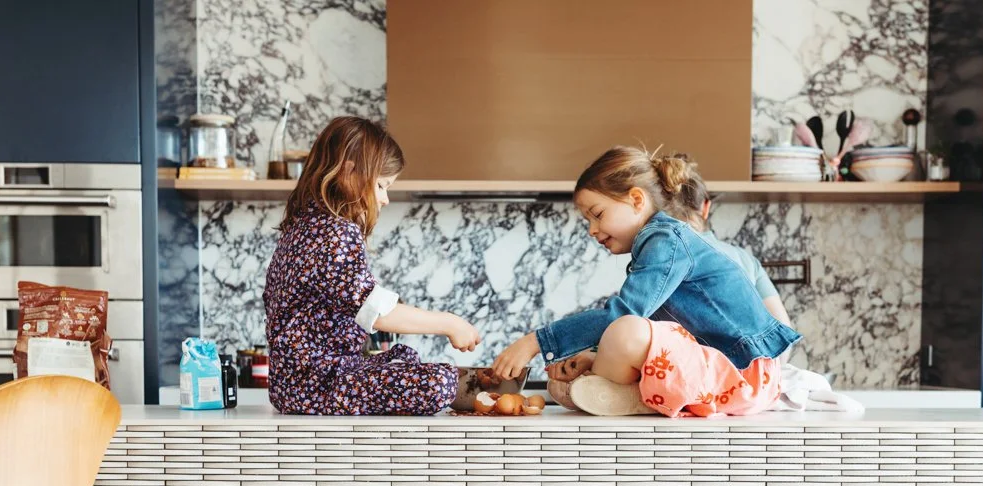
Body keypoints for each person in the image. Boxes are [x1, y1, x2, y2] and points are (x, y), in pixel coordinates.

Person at [493, 146, 800, 417]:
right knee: (562, 388)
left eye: (597, 214)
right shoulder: (655, 246)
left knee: (625, 327)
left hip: (742, 373)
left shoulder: (667, 240)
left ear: (637, 199)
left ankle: (636, 397)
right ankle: (622, 394)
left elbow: (623, 318)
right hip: (716, 371)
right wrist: (593, 356)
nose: (591, 229)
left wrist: (536, 342)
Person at [262, 116, 480, 415]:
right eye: (381, 185)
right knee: (441, 382)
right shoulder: (334, 232)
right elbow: (375, 312)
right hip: (319, 384)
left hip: (293, 385)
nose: (385, 198)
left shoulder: (301, 228)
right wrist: (450, 323)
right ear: (349, 171)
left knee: (403, 355)